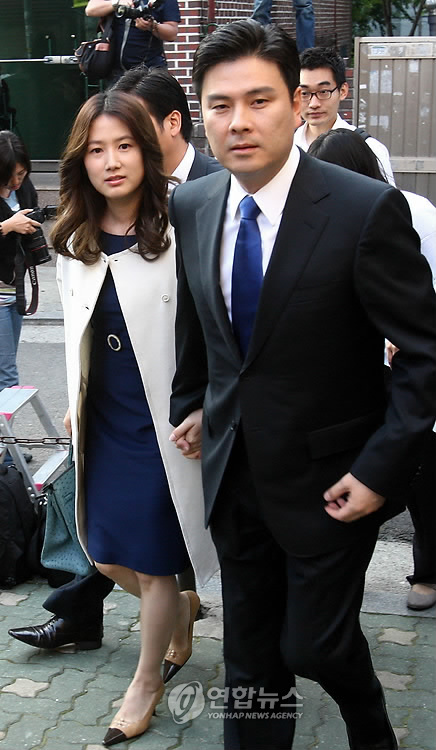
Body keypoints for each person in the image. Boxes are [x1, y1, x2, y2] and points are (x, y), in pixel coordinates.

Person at [168, 19, 436, 750]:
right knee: (251, 662)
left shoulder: (362, 209)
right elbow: (199, 322)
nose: (239, 121)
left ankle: (371, 726)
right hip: (234, 475)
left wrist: (380, 470)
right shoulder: (194, 205)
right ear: (202, 115)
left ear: (297, 104)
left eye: (259, 100)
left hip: (333, 482)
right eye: (221, 105)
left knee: (313, 645)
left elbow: (424, 354)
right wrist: (194, 403)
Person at [8, 67, 221, 652]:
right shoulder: (75, 238)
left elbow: (214, 329)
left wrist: (204, 403)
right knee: (102, 553)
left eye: (124, 145)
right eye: (97, 149)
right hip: (102, 417)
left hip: (161, 419)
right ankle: (179, 610)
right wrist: (74, 401)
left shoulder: (183, 222)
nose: (111, 161)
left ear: (146, 149)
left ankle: (147, 682)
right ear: (81, 160)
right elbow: (78, 332)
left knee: (152, 558)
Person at [308, 127, 436, 612]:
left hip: (405, 364)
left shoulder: (412, 212)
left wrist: (403, 333)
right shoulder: (313, 217)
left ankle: (428, 572)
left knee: (421, 473)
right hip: (351, 373)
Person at [294, 46, 396, 185]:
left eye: (323, 92)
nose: (314, 104)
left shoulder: (369, 148)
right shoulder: (285, 148)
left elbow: (386, 198)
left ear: (343, 91)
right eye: (305, 93)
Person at [0, 131, 40, 464]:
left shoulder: (24, 189)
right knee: (7, 376)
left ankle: (7, 450)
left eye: (22, 174)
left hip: (15, 288)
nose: (16, 182)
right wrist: (7, 226)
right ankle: (9, 456)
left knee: (6, 372)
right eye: (9, 176)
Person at [85, 0, 180, 82]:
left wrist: (152, 26)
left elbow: (171, 34)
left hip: (150, 72)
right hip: (116, 72)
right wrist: (117, 3)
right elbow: (91, 9)